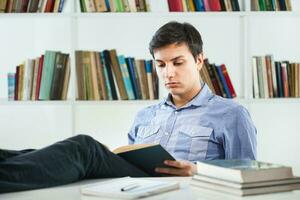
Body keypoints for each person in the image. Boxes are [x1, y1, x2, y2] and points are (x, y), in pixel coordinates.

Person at [0, 21, 256, 193]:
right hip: (138, 186)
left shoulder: (231, 115)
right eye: (161, 65)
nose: (168, 73)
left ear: (199, 60)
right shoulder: (146, 115)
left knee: (84, 149)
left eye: (178, 62)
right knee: (30, 155)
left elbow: (250, 177)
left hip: (183, 189)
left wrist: (197, 169)